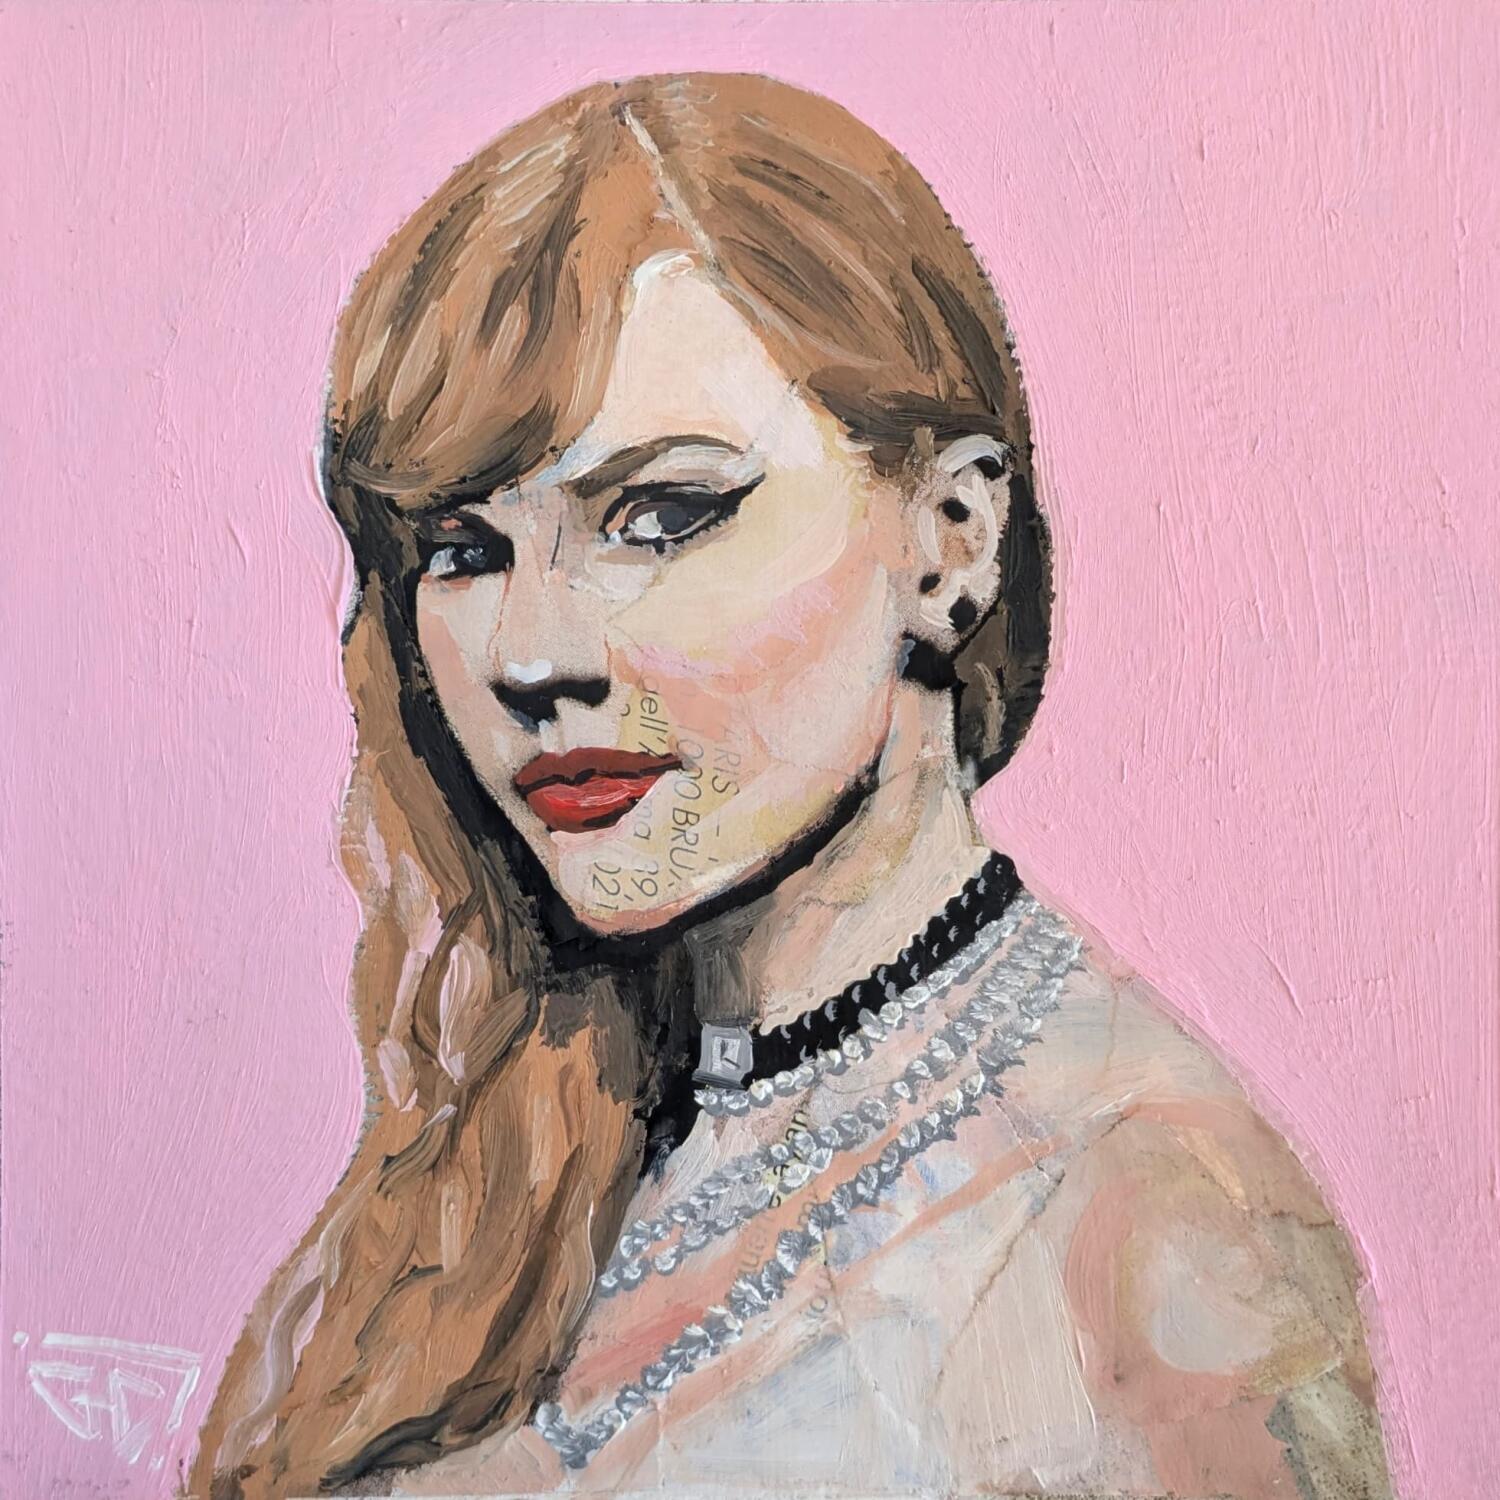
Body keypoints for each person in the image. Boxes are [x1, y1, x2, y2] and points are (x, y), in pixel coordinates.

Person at [193, 74, 1391, 1500]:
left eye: (659, 516)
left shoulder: (1154, 1230)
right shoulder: (527, 1126)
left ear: (950, 539)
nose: (529, 656)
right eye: (462, 551)